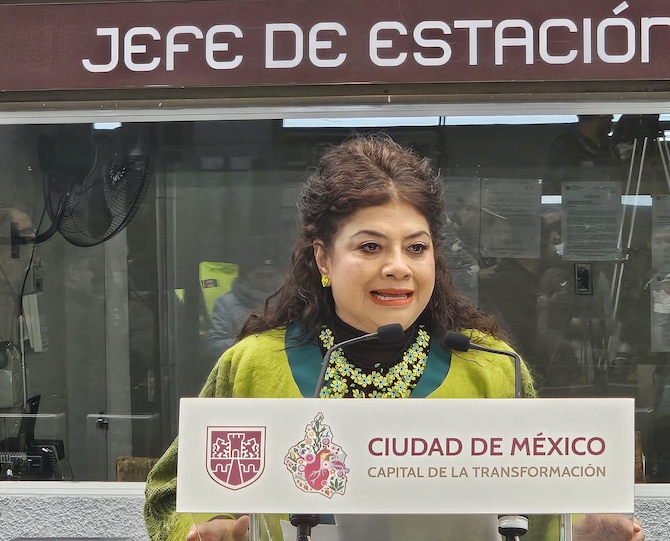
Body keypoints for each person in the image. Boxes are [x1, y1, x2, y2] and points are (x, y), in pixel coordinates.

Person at [143, 134, 539, 541]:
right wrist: (210, 528)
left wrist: (588, 527)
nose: (398, 267)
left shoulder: (490, 365)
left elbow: (548, 502)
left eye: (416, 248)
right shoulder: (255, 364)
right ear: (323, 258)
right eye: (370, 246)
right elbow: (175, 491)